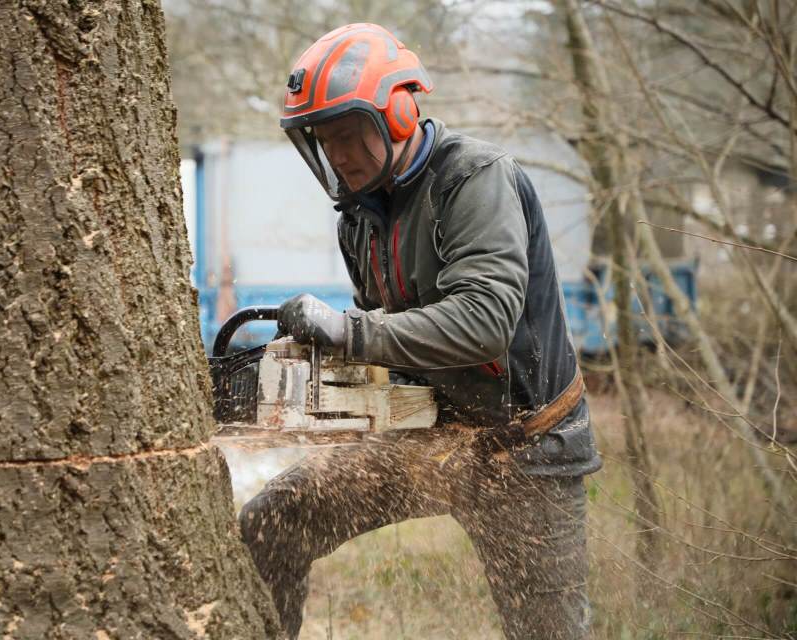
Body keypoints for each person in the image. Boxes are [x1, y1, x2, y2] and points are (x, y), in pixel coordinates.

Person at [239, 23, 602, 639]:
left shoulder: (474, 179)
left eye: (350, 133)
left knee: (549, 632)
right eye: (326, 139)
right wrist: (323, 380)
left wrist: (349, 331)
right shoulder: (359, 218)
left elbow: (484, 322)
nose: (340, 153)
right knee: (274, 521)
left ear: (400, 114)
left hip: (526, 448)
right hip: (430, 435)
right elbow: (392, 350)